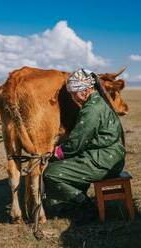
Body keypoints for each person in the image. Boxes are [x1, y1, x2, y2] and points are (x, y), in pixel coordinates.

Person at [43, 68, 125, 223]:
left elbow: (76, 143)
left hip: (105, 159)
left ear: (86, 89)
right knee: (67, 165)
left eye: (74, 92)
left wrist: (56, 152)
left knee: (51, 173)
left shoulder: (91, 109)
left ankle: (86, 207)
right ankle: (74, 202)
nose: (73, 97)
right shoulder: (97, 102)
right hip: (110, 156)